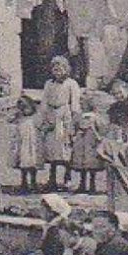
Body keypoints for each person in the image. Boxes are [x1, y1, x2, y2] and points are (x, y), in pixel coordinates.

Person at [39, 55, 82, 191]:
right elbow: (44, 101)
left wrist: (74, 120)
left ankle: (67, 177)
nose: (57, 72)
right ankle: (52, 178)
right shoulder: (48, 84)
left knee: (64, 147)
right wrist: (44, 116)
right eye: (55, 69)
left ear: (66, 69)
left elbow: (74, 103)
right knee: (52, 148)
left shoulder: (71, 84)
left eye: (60, 69)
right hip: (52, 114)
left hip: (65, 116)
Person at [71, 108, 107, 194]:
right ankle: (82, 184)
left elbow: (102, 130)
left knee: (92, 164)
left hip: (91, 141)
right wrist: (74, 135)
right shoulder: (79, 116)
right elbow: (74, 126)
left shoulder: (96, 117)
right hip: (81, 141)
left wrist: (96, 134)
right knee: (81, 163)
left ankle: (92, 185)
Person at [11, 94, 42, 192]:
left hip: (32, 142)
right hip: (22, 142)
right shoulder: (19, 117)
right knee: (23, 160)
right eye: (21, 107)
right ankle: (24, 182)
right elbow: (10, 120)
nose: (24, 110)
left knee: (33, 161)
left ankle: (33, 182)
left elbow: (40, 126)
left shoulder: (34, 118)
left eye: (26, 107)